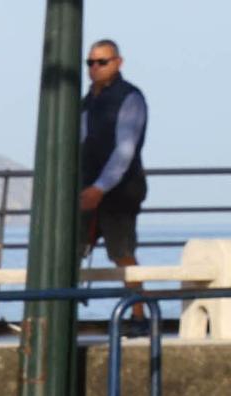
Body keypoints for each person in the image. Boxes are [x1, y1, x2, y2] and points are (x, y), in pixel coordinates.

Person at [79, 38, 149, 313]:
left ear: (117, 63)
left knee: (122, 253)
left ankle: (140, 315)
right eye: (91, 62)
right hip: (87, 189)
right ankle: (58, 314)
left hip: (121, 191)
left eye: (102, 62)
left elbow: (125, 149)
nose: (95, 67)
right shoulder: (87, 101)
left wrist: (100, 188)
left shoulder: (130, 97)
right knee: (69, 251)